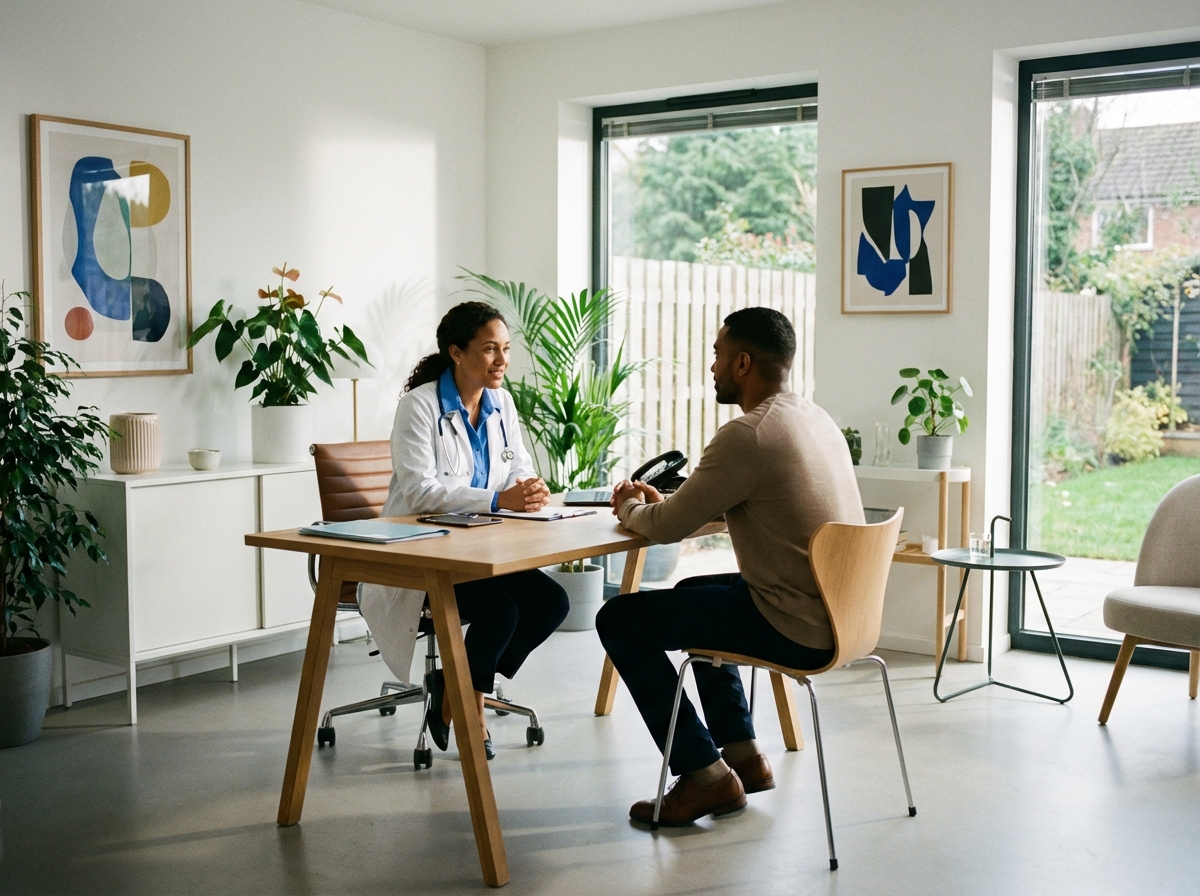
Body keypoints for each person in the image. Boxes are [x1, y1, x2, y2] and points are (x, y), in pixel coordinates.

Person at [595, 306, 865, 826]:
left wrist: (630, 504)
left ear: (743, 363)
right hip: (840, 612)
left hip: (797, 624)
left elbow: (668, 528)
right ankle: (742, 753)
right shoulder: (813, 417)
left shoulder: (748, 434)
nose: (712, 367)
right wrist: (680, 503)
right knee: (698, 591)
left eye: (717, 355)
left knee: (619, 620)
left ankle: (704, 777)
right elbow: (756, 498)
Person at [359, 301, 569, 761]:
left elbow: (518, 465)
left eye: (506, 349)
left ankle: (455, 688)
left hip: (479, 547)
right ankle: (469, 706)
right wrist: (497, 500)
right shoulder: (419, 407)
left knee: (552, 602)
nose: (502, 360)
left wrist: (528, 488)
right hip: (420, 557)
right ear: (456, 352)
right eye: (490, 349)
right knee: (500, 613)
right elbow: (420, 493)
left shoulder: (502, 402)